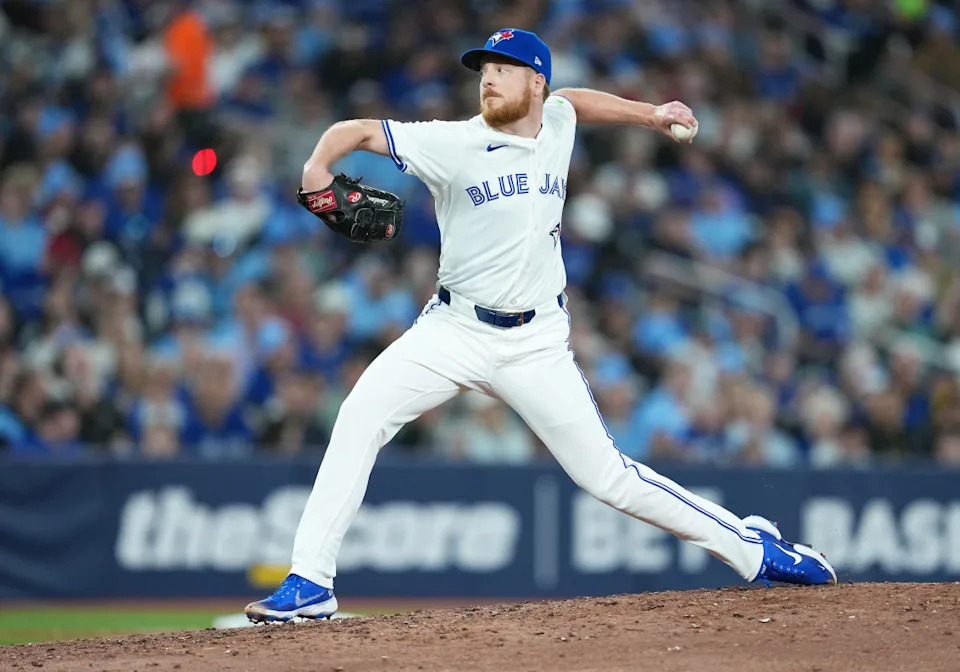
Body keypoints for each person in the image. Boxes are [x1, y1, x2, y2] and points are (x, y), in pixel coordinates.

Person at [245, 28, 836, 623]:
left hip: (535, 342)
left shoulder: (556, 123)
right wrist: (318, 164)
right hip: (452, 329)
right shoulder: (453, 143)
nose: (488, 77)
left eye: (503, 67)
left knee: (608, 477)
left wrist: (650, 114)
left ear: (535, 82)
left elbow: (574, 100)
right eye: (484, 69)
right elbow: (362, 130)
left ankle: (753, 550)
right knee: (358, 416)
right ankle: (311, 582)